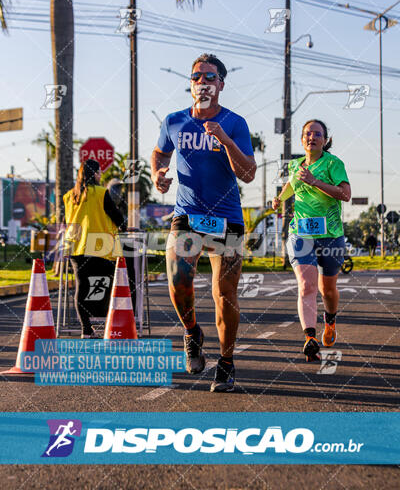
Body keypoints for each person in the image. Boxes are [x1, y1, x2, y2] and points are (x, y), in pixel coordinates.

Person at [151, 53, 256, 392]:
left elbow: (249, 174)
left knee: (223, 294)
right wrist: (158, 174)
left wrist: (225, 140)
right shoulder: (174, 120)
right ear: (191, 83)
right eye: (197, 76)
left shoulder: (235, 123)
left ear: (221, 85)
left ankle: (226, 363)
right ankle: (192, 331)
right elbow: (159, 153)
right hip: (187, 216)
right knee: (178, 280)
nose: (203, 82)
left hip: (226, 219)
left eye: (210, 77)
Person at [272, 120, 351, 362]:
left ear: (325, 140)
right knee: (306, 286)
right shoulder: (296, 165)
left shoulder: (333, 164)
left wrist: (315, 182)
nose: (312, 137)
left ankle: (330, 320)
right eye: (308, 133)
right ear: (301, 139)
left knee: (327, 289)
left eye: (317, 134)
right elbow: (291, 186)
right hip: (301, 233)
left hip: (330, 235)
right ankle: (309, 338)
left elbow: (345, 194)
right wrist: (278, 199)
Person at [63, 159, 125, 338]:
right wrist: (125, 227)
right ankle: (110, 326)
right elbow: (116, 216)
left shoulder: (69, 196)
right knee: (109, 285)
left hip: (76, 247)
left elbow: (67, 220)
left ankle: (86, 330)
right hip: (99, 247)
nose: (100, 175)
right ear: (95, 174)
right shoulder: (101, 192)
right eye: (99, 172)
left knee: (81, 288)